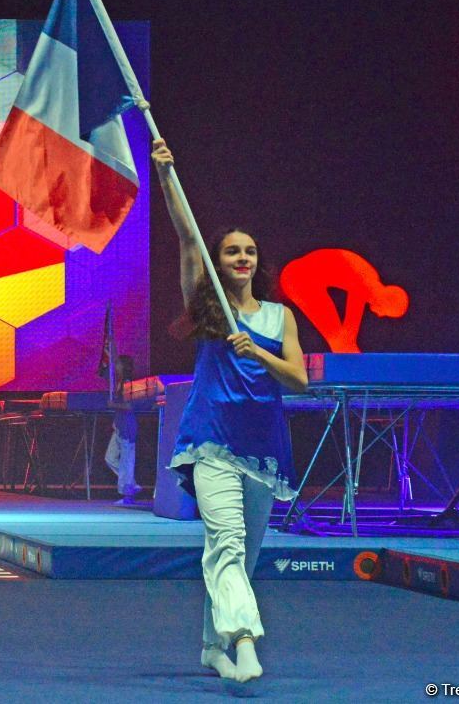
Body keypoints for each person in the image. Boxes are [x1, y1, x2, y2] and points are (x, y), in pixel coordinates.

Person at [152, 137, 308, 684]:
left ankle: (209, 648)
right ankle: (243, 643)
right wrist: (168, 176)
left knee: (239, 558)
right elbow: (186, 237)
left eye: (250, 252)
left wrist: (258, 351)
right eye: (232, 252)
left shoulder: (280, 316)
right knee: (227, 543)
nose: (242, 258)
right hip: (211, 442)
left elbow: (301, 379)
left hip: (264, 450)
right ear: (219, 263)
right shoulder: (208, 307)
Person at [104, 354, 141, 504]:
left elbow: (130, 406)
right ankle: (130, 484)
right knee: (110, 458)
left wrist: (113, 405)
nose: (115, 367)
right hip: (119, 426)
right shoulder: (119, 383)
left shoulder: (128, 384)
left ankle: (128, 494)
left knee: (127, 460)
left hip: (127, 426)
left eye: (118, 364)